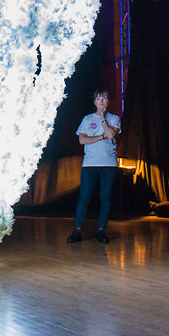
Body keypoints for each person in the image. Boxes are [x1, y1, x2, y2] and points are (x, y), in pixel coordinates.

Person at [67, 88, 121, 244]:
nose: (101, 101)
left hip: (108, 164)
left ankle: (101, 230)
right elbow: (82, 140)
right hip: (89, 164)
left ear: (108, 101)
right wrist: (102, 136)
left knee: (105, 197)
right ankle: (77, 230)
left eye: (104, 98)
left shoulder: (114, 118)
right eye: (98, 98)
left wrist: (103, 119)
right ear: (94, 102)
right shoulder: (87, 119)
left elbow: (111, 134)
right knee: (84, 197)